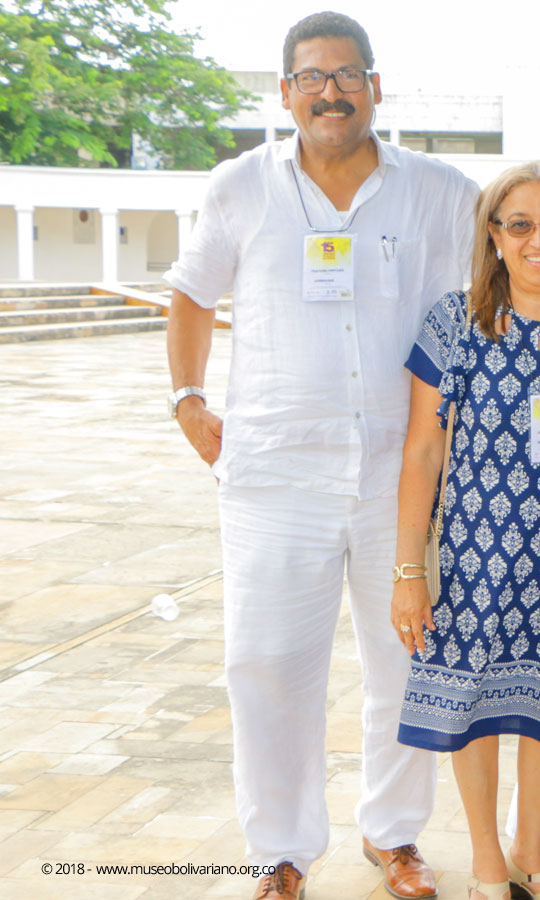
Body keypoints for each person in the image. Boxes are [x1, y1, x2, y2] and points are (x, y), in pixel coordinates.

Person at [164, 13, 476, 900]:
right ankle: (282, 848)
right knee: (264, 662)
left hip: (402, 471)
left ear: (377, 86)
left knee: (409, 658)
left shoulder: (439, 193)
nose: (330, 92)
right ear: (286, 91)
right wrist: (187, 400)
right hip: (273, 474)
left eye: (346, 75)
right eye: (312, 77)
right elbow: (188, 292)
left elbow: (519, 269)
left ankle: (395, 835)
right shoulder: (240, 187)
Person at [391, 162, 540, 900]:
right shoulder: (454, 321)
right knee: (471, 709)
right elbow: (423, 449)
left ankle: (532, 851)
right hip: (475, 559)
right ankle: (486, 859)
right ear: (494, 235)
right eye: (520, 224)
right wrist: (409, 573)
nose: (539, 239)